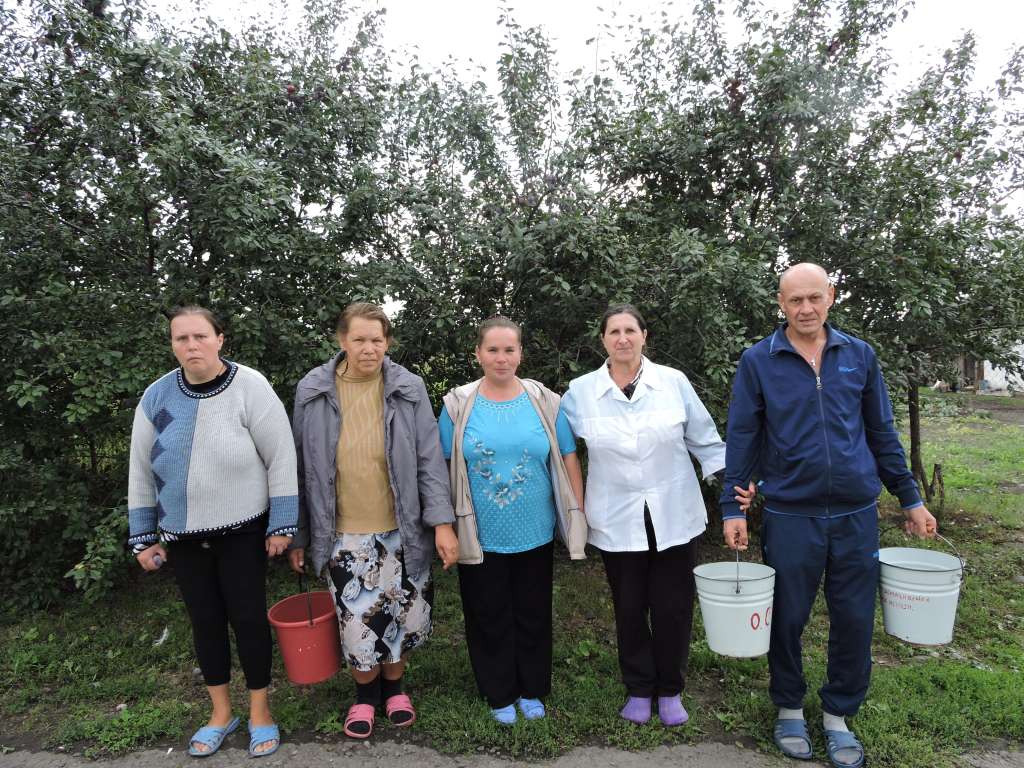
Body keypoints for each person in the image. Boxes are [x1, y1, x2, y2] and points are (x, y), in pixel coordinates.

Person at [720, 263, 937, 768]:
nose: (805, 309)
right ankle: (790, 708)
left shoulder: (858, 355)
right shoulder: (759, 360)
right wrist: (733, 506)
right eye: (795, 300)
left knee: (855, 618)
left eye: (814, 298)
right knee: (787, 617)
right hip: (791, 514)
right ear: (781, 303)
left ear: (831, 296)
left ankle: (839, 714)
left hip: (856, 513)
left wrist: (910, 498)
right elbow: (743, 436)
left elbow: (881, 431)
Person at [128, 305, 297, 758]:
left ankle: (260, 712)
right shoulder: (156, 396)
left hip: (243, 531)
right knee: (205, 623)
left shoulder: (250, 386)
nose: (192, 345)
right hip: (182, 536)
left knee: (248, 620)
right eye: (181, 338)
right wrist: (143, 535)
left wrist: (283, 524)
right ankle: (221, 713)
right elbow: (140, 470)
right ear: (172, 344)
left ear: (220, 339)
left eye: (200, 336)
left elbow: (281, 455)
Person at [288, 302, 458, 740]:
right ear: (341, 340)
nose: (369, 348)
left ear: (388, 342)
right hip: (342, 531)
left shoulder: (408, 387)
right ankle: (365, 696)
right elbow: (300, 467)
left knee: (402, 613)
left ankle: (395, 690)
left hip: (403, 527)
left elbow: (429, 460)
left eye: (377, 340)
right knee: (356, 620)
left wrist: (441, 523)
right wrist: (299, 534)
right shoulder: (313, 389)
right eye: (359, 339)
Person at [560, 304, 726, 727]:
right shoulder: (581, 391)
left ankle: (670, 689)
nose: (623, 339)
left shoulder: (673, 382)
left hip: (674, 512)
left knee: (673, 606)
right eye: (614, 331)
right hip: (615, 515)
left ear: (644, 336)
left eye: (630, 330)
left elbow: (705, 440)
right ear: (603, 340)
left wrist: (733, 487)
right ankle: (638, 687)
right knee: (629, 606)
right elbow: (559, 445)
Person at [437, 316, 587, 724]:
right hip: (479, 532)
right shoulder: (457, 406)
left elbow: (568, 456)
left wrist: (577, 511)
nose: (501, 358)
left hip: (535, 530)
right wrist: (443, 524)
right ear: (478, 354)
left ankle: (532, 688)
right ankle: (499, 691)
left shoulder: (545, 402)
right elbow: (441, 466)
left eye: (509, 349)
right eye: (493, 350)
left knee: (533, 612)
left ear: (520, 353)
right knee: (487, 613)